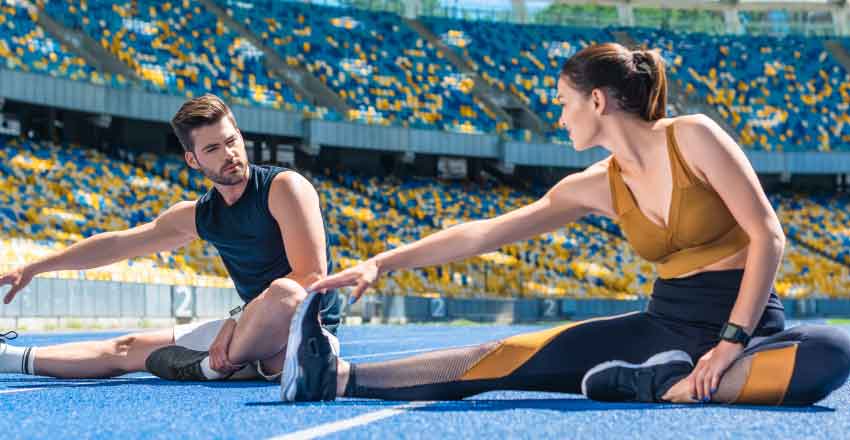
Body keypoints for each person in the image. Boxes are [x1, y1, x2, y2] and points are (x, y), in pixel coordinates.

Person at [279, 43, 850, 405]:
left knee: (832, 351)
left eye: (562, 102)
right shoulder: (594, 184)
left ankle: (653, 384)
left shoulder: (692, 136)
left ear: (597, 101)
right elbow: (487, 231)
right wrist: (382, 261)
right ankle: (338, 376)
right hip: (661, 330)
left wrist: (729, 345)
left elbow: (768, 235)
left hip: (748, 329)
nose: (557, 116)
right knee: (513, 355)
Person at [0, 94, 340, 382]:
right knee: (126, 348)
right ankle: (9, 358)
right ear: (193, 160)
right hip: (249, 332)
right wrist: (35, 267)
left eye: (231, 141)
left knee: (285, 293)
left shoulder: (283, 188)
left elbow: (310, 278)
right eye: (212, 149)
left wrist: (237, 321)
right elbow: (119, 244)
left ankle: (215, 365)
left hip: (308, 331)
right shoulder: (200, 215)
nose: (229, 154)